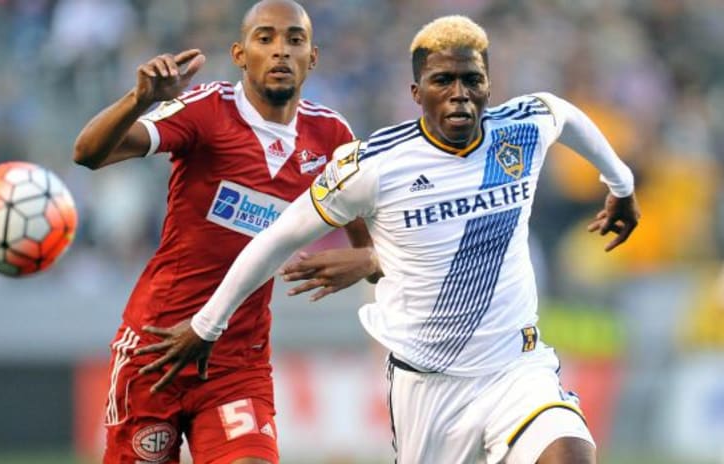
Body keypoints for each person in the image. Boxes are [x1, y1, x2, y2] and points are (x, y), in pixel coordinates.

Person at [138, 15, 642, 464]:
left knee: (571, 453)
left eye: (473, 80)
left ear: (490, 85)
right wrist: (207, 325)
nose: (460, 93)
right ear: (416, 91)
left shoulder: (522, 129)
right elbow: (276, 239)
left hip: (517, 367)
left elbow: (565, 114)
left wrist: (620, 185)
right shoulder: (373, 166)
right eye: (443, 80)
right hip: (428, 386)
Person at [72, 1, 369, 462]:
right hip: (158, 348)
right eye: (265, 38)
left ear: (313, 56)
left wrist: (367, 261)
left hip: (237, 360)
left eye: (295, 40)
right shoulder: (206, 111)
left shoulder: (330, 135)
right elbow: (89, 153)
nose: (280, 52)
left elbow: (373, 246)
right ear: (239, 53)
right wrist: (142, 99)